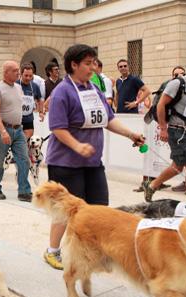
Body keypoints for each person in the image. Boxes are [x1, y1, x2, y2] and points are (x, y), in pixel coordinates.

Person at [43, 44, 145, 270]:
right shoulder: (62, 91)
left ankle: (94, 250)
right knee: (67, 210)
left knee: (99, 207)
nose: (92, 68)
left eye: (93, 63)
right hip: (65, 163)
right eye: (87, 63)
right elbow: (57, 127)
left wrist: (130, 134)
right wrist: (77, 145)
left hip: (92, 162)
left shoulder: (94, 89)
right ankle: (53, 251)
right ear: (74, 65)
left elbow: (108, 119)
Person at [143, 57, 186, 204]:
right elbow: (161, 105)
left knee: (177, 166)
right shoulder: (177, 83)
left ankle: (152, 185)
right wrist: (163, 128)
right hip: (176, 131)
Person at [0, 61, 33, 202]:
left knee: (24, 160)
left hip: (18, 129)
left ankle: (24, 191)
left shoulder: (19, 88)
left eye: (18, 70)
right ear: (6, 72)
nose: (18, 72)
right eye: (15, 70)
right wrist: (2, 131)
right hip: (3, 129)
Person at [16, 63, 45, 139]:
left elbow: (40, 99)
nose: (28, 78)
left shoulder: (34, 86)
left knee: (27, 140)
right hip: (15, 119)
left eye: (30, 76)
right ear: (21, 74)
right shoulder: (14, 85)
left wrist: (41, 112)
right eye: (26, 75)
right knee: (16, 141)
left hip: (28, 118)